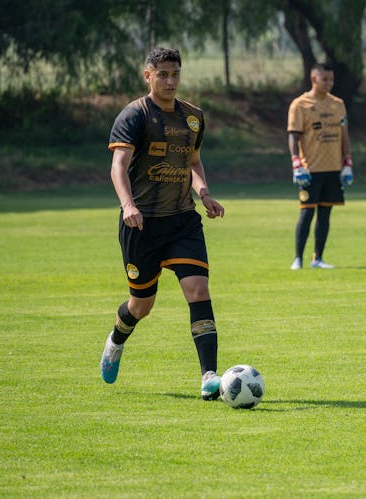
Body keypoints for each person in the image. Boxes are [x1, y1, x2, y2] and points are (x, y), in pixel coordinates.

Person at [100, 47, 226, 400]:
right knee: (141, 306)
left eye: (175, 74)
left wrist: (204, 194)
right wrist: (127, 204)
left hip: (183, 220)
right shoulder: (134, 115)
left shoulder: (193, 117)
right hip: (141, 225)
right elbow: (118, 167)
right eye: (163, 74)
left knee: (198, 291)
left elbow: (194, 162)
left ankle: (209, 376)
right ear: (148, 76)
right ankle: (116, 339)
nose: (170, 81)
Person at [287, 63, 354, 270]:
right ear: (314, 79)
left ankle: (318, 259)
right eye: (325, 79)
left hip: (333, 169)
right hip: (310, 170)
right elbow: (293, 135)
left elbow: (344, 135)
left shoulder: (338, 104)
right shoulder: (300, 104)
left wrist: (347, 163)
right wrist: (296, 163)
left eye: (331, 79)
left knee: (325, 215)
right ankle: (297, 258)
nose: (329, 83)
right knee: (306, 214)